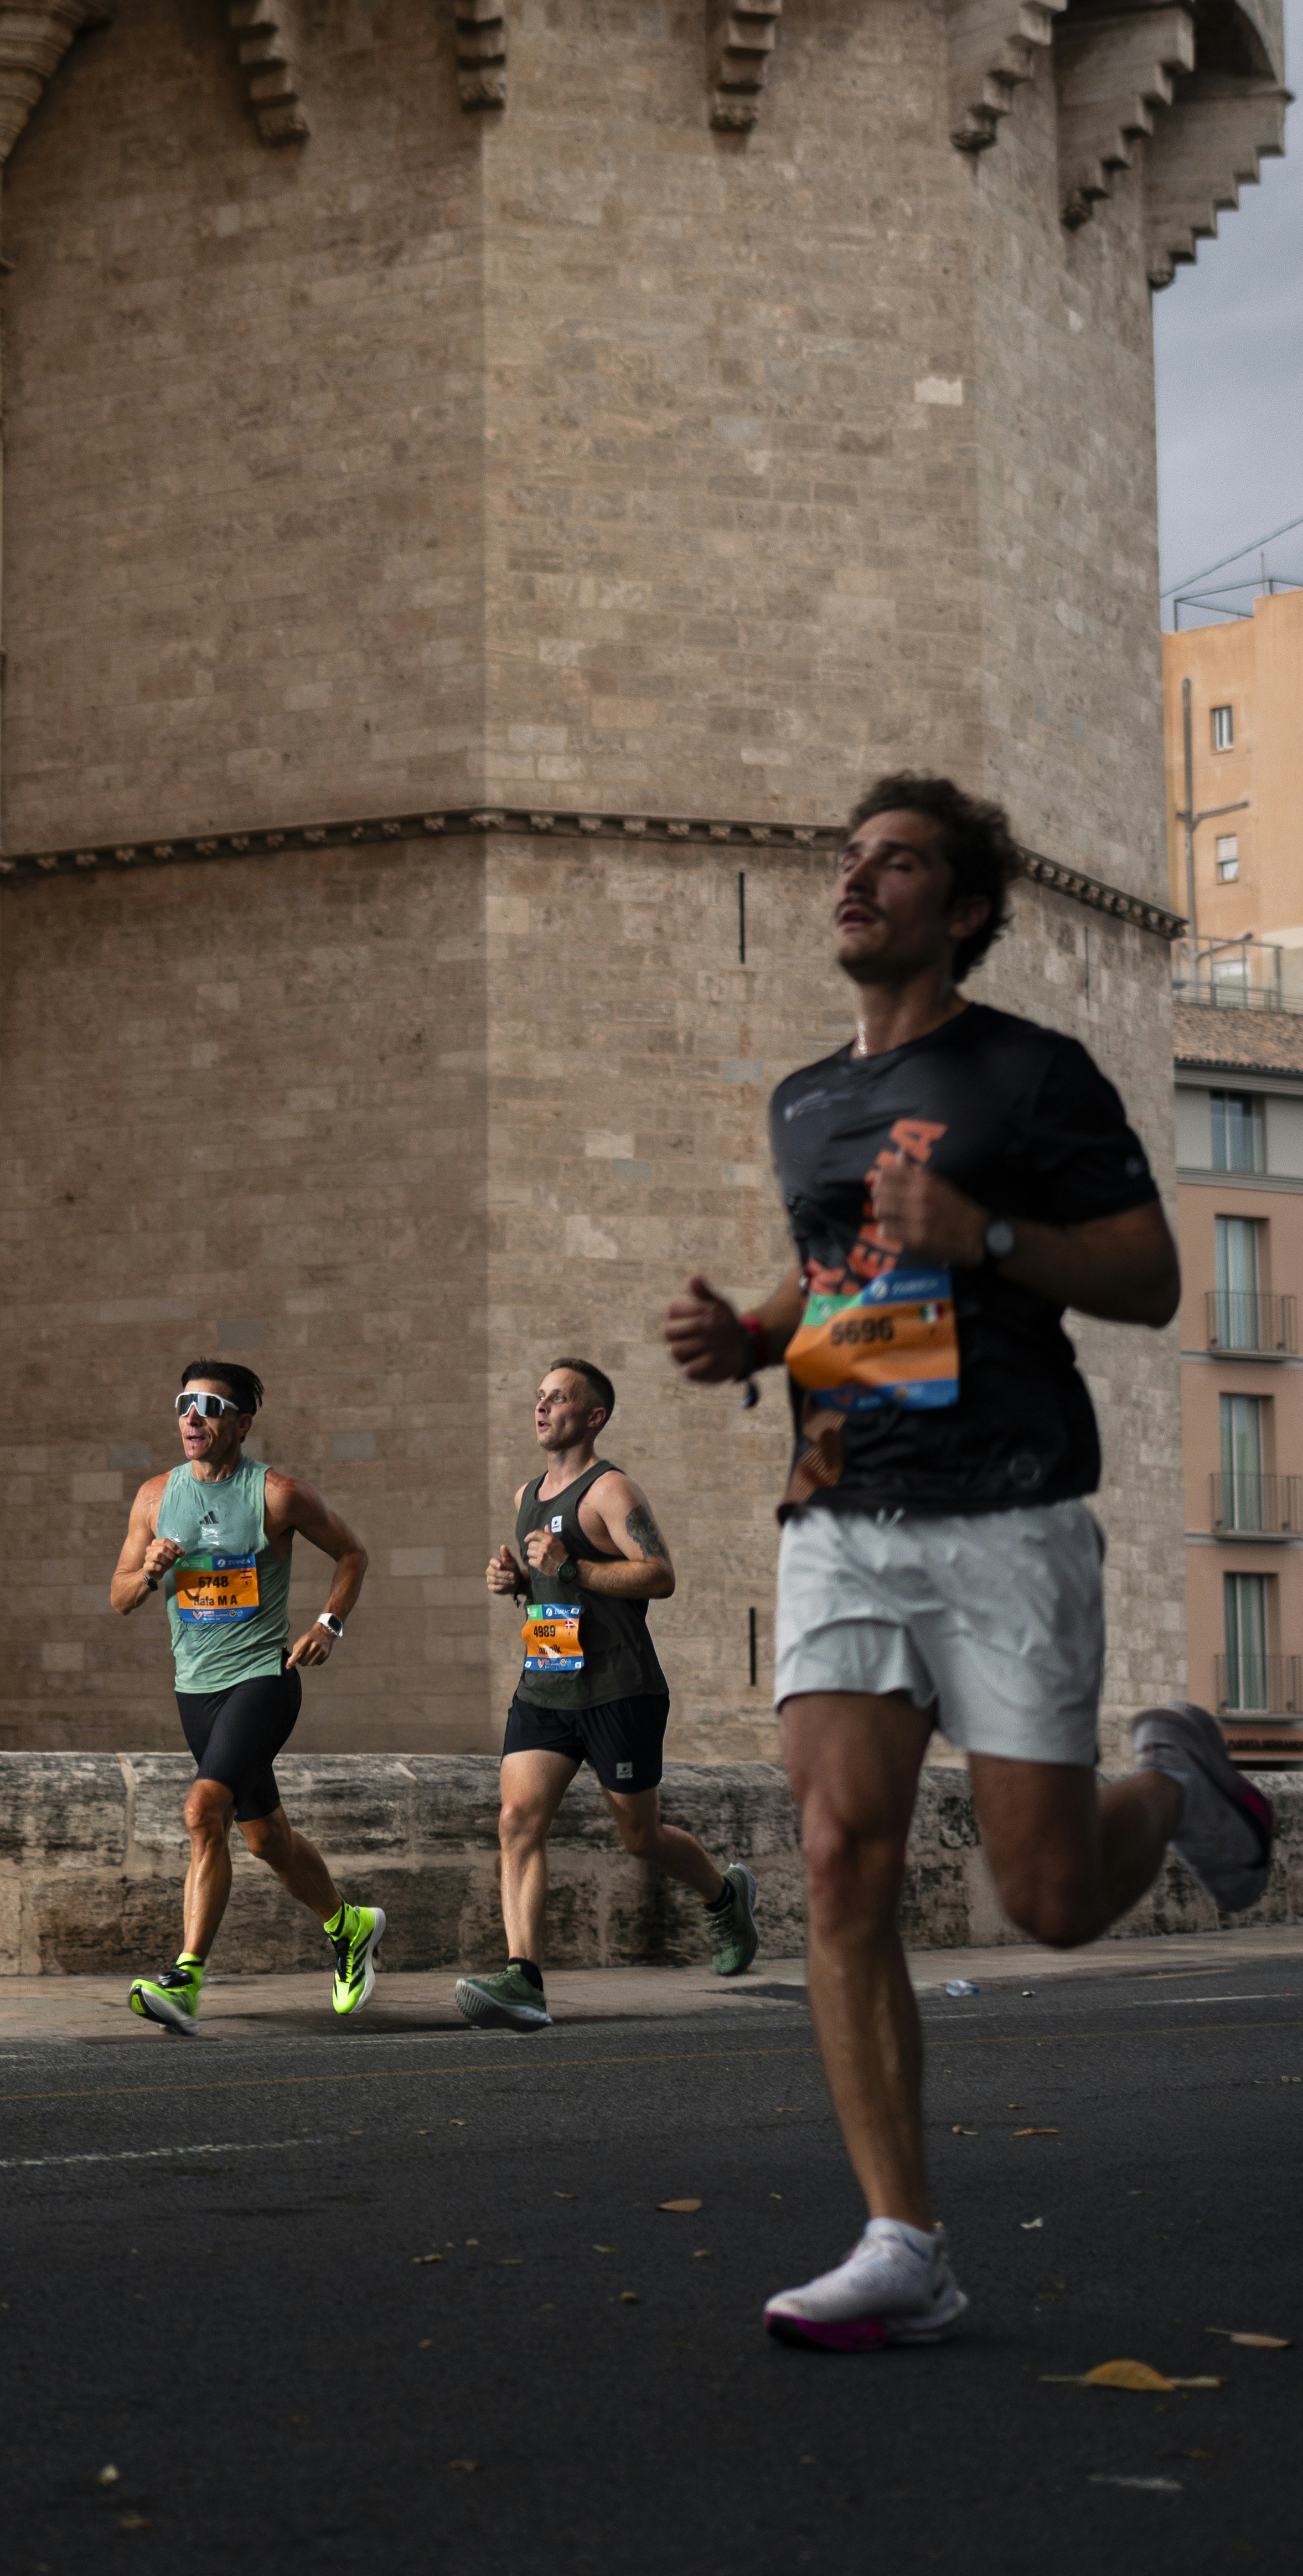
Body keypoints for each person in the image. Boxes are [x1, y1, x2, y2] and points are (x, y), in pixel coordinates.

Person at [664, 772, 1274, 2353]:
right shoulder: (804, 1099)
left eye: (898, 862)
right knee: (836, 1850)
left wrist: (985, 1236)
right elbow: (835, 1283)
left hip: (1007, 1505)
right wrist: (749, 1329)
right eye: (848, 860)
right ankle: (901, 2239)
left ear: (971, 908)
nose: (856, 882)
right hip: (840, 1506)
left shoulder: (1033, 1074)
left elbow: (1144, 1277)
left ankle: (1181, 1785)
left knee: (1049, 1899)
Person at [454, 1359, 761, 2032]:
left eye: (558, 1399)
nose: (542, 1408)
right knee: (516, 1822)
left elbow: (660, 1575)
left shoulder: (611, 1491)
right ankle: (523, 1979)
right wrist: (521, 1586)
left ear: (592, 1417)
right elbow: (555, 1593)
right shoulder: (524, 1496)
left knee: (640, 1836)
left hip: (617, 1690)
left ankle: (722, 1898)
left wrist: (574, 1567)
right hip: (545, 1684)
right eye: (538, 1397)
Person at [109, 1359, 383, 2034]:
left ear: (240, 1423)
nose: (192, 1416)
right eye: (184, 1404)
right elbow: (118, 1598)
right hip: (194, 1689)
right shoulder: (153, 1498)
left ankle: (187, 1979)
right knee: (264, 1838)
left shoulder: (277, 1495)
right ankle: (349, 1928)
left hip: (263, 1677)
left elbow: (352, 1553)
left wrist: (328, 1623)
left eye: (208, 1406)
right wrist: (148, 1572)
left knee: (204, 1811)